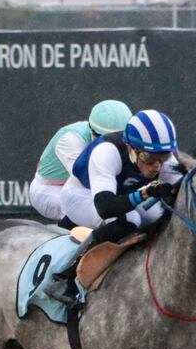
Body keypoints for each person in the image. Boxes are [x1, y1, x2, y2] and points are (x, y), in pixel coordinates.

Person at [43, 109, 183, 306]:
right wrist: (144, 193)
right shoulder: (107, 152)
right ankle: (67, 278)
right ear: (132, 149)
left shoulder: (157, 157)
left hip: (119, 196)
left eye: (164, 157)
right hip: (82, 196)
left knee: (158, 215)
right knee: (131, 220)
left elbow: (182, 193)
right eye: (150, 159)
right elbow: (106, 207)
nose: (157, 166)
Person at [30, 100, 132, 222]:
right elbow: (88, 180)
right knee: (98, 211)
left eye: (122, 138)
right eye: (110, 138)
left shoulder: (96, 132)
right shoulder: (70, 140)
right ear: (93, 132)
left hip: (77, 187)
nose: (116, 143)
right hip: (47, 191)